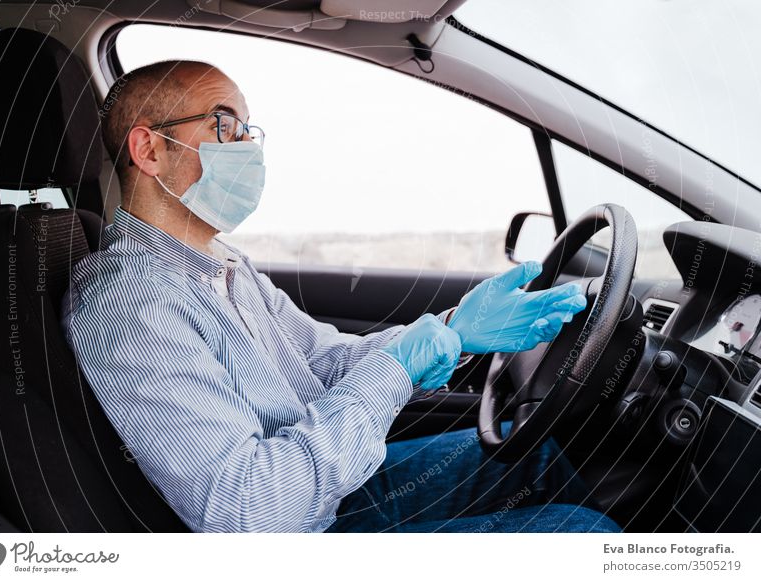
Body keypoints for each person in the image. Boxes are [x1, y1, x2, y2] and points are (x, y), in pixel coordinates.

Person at [61, 60, 620, 533]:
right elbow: (247, 511)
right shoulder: (129, 303)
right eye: (225, 125)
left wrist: (450, 328)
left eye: (249, 131)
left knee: (539, 457)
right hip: (290, 526)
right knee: (584, 535)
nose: (247, 148)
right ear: (149, 149)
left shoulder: (223, 266)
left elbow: (322, 362)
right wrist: (397, 370)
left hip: (324, 496)